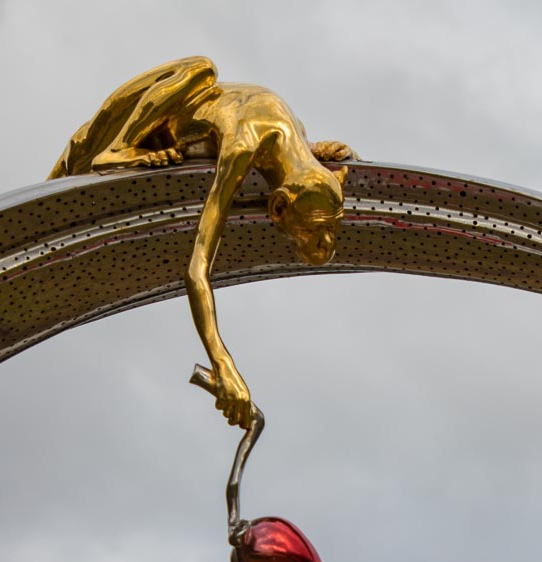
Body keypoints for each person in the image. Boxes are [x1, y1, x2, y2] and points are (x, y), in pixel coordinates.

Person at [49, 57, 354, 431]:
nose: (326, 246)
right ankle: (120, 150)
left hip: (198, 127)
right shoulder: (243, 146)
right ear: (278, 207)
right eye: (312, 230)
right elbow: (196, 269)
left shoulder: (300, 145)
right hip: (131, 125)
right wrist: (222, 363)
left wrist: (320, 153)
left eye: (330, 230)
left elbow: (306, 165)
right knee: (201, 68)